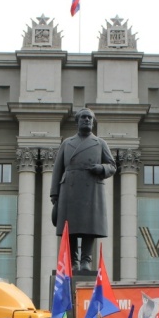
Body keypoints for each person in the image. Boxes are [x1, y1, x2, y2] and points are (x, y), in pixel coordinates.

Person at [50, 107, 117, 271]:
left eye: (90, 118)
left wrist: (101, 168)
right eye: (84, 117)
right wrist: (54, 194)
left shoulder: (100, 143)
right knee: (70, 228)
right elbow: (58, 169)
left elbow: (112, 166)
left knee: (89, 227)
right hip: (70, 189)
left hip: (91, 187)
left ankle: (86, 261)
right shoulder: (67, 143)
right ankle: (73, 262)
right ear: (77, 121)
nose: (87, 120)